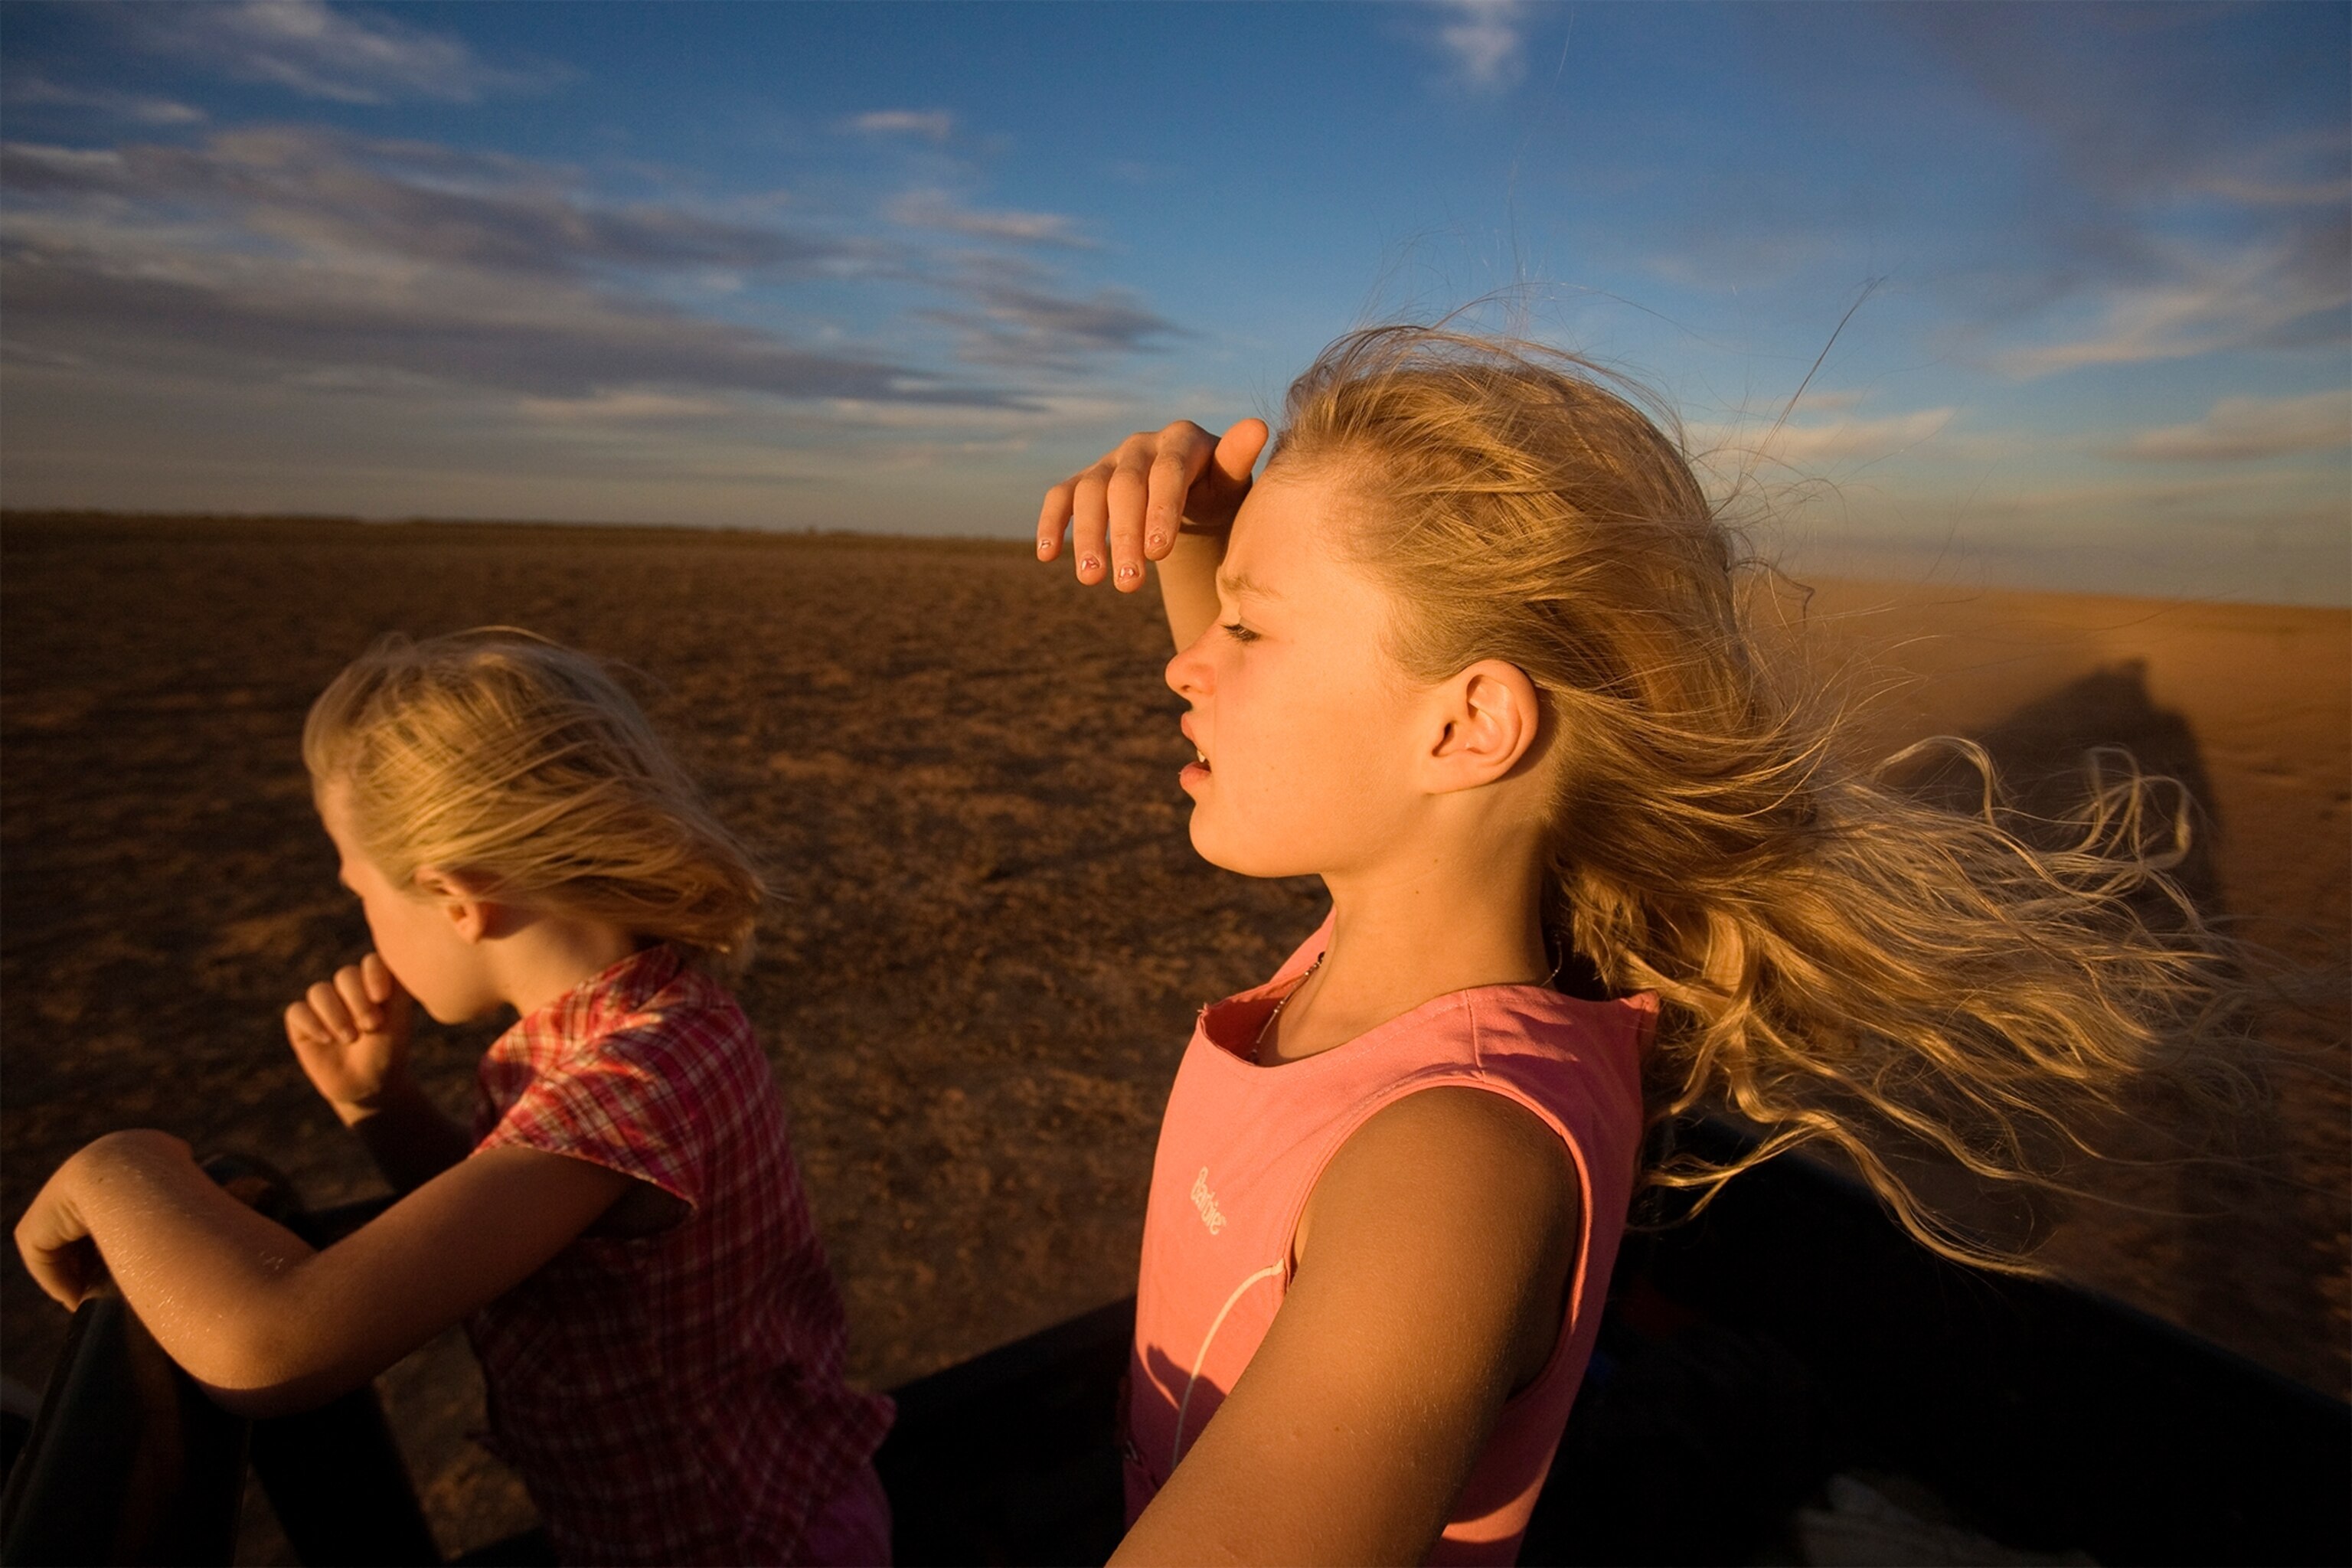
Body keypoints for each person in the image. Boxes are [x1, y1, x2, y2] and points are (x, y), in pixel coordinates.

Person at [1034, 325, 2246, 1565]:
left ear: (1468, 727)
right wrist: (1198, 534)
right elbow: (1305, 734)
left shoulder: (1446, 1176)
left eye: (1246, 629)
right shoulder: (1410, 947)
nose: (1187, 666)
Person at [15, 629, 893, 1566]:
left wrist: (118, 1165)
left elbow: (273, 1345)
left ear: (458, 896)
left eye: (360, 890)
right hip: (782, 1498)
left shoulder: (623, 1085)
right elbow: (518, 1242)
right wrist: (382, 1104)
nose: (363, 920)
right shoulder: (663, 1016)